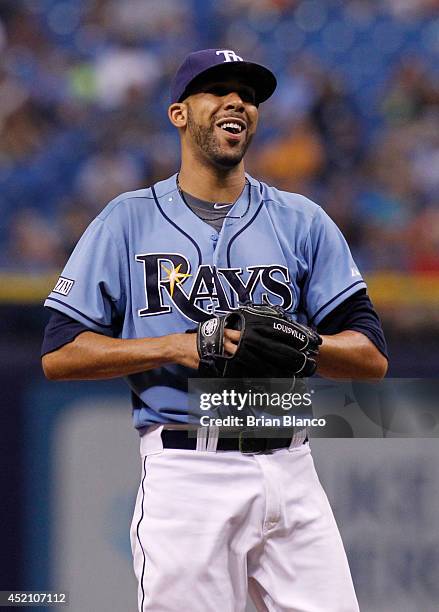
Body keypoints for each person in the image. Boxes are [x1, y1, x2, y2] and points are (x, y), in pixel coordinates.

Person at [42, 49, 388, 612]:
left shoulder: (301, 219)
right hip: (188, 469)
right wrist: (179, 345)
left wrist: (307, 346)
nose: (236, 102)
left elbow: (371, 355)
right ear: (179, 113)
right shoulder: (126, 220)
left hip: (291, 466)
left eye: (248, 96)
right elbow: (59, 352)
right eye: (217, 90)